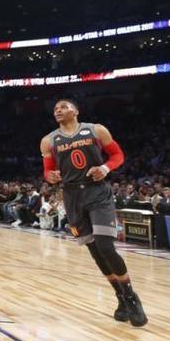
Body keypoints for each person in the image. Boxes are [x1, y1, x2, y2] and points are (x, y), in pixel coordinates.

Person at [40, 99, 147, 327]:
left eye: (63, 107)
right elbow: (48, 171)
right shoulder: (48, 141)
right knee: (95, 251)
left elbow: (118, 155)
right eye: (55, 108)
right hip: (71, 197)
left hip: (97, 192)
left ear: (75, 111)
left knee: (106, 245)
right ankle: (119, 297)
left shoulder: (96, 130)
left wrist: (106, 168)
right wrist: (50, 177)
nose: (57, 110)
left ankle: (131, 296)